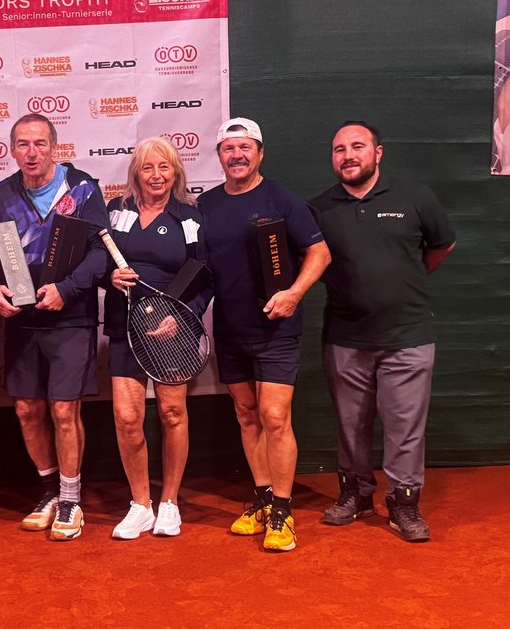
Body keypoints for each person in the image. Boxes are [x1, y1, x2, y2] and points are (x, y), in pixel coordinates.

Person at [311, 121, 455, 542]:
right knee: (350, 424)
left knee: (405, 427)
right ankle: (356, 495)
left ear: (378, 153)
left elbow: (442, 245)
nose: (348, 156)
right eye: (339, 149)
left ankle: (403, 503)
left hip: (407, 336)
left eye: (357, 147)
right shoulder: (318, 209)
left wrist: (402, 284)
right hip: (345, 337)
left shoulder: (415, 198)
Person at [199, 117, 330, 552]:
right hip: (230, 331)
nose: (237, 155)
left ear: (260, 153)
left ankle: (282, 510)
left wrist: (294, 294)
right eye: (228, 148)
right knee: (246, 414)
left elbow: (319, 253)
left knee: (274, 417)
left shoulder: (283, 199)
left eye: (245, 147)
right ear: (219, 156)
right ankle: (262, 497)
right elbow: (200, 269)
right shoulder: (206, 205)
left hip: (277, 329)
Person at [0, 113, 110, 541]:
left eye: (40, 143)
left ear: (54, 147)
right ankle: (50, 491)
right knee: (27, 409)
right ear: (12, 150)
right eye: (23, 144)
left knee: (63, 409)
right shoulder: (2, 193)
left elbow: (102, 252)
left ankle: (72, 500)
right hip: (23, 320)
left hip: (69, 316)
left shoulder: (82, 187)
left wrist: (67, 289)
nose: (32, 152)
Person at [104, 137, 212, 539]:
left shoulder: (190, 217)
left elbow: (205, 276)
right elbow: (96, 263)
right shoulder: (117, 212)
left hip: (173, 330)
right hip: (125, 326)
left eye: (164, 167)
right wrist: (109, 277)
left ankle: (169, 503)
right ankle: (140, 505)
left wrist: (182, 317)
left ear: (175, 172)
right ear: (136, 172)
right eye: (148, 167)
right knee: (127, 417)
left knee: (171, 413)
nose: (156, 175)